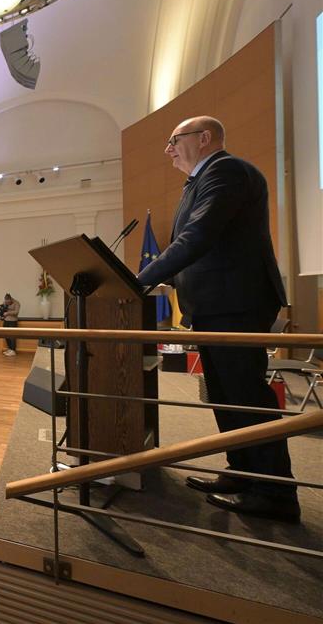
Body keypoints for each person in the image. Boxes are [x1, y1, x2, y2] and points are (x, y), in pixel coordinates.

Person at [137, 116, 296, 523]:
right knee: (224, 395)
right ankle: (243, 473)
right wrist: (157, 280)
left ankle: (275, 491)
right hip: (214, 306)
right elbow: (198, 249)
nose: (168, 149)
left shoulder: (225, 171)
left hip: (236, 304)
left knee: (246, 396)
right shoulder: (198, 182)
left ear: (204, 138)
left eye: (175, 139)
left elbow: (198, 238)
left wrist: (138, 281)